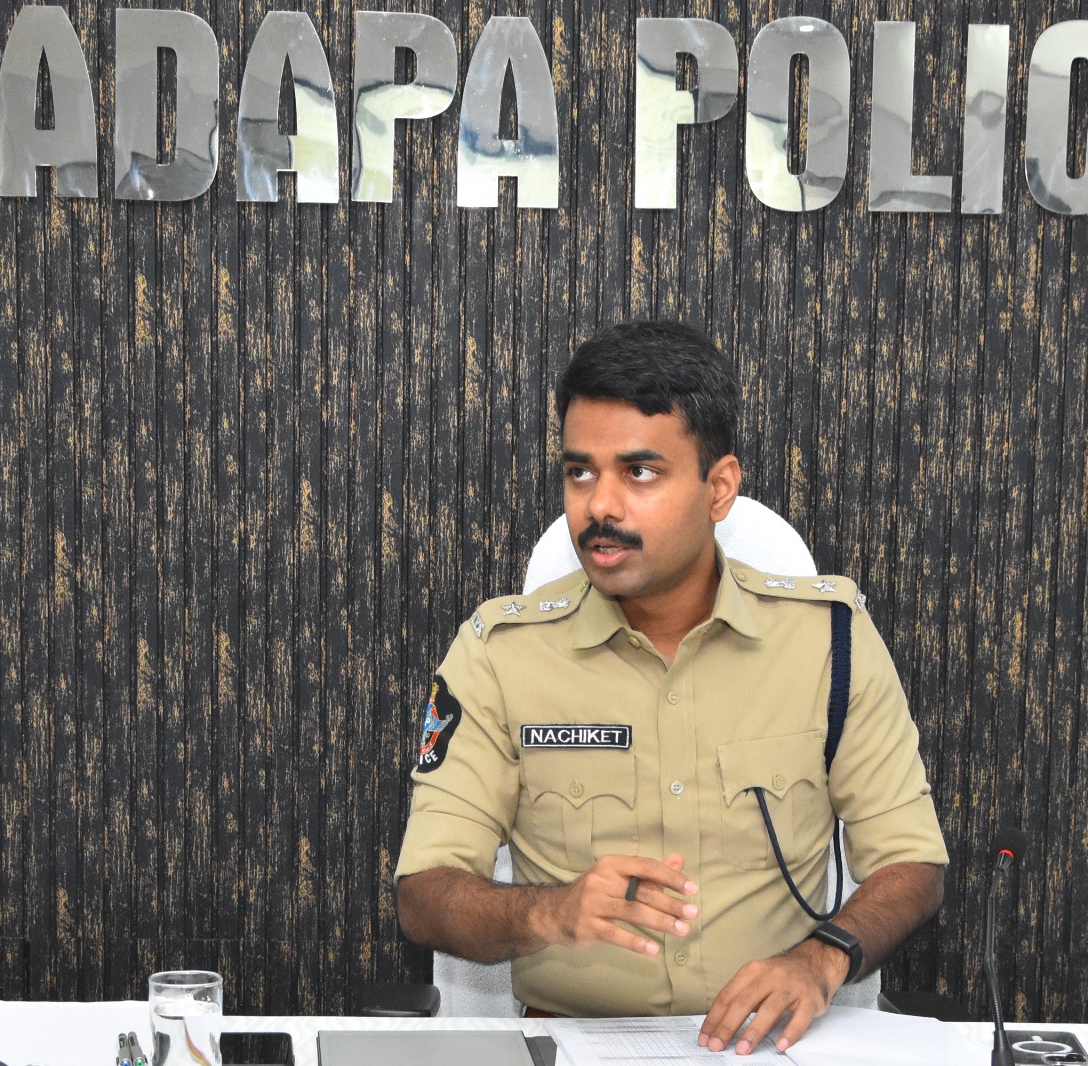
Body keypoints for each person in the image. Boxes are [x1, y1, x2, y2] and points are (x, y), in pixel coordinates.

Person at [394, 320, 948, 1055]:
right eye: (580, 472)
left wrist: (821, 960)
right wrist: (551, 912)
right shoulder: (498, 655)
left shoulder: (830, 642)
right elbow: (425, 893)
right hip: (574, 1043)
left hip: (770, 1044)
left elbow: (912, 863)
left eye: (640, 472)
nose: (600, 506)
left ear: (719, 488)